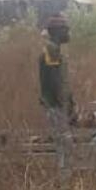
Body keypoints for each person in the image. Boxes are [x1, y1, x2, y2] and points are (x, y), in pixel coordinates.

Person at [39, 14, 75, 172]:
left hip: (58, 104)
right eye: (66, 29)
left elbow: (61, 79)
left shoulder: (54, 49)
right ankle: (63, 181)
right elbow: (54, 80)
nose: (68, 33)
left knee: (64, 143)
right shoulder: (51, 49)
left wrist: (71, 101)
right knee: (64, 143)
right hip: (55, 105)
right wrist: (64, 103)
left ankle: (64, 178)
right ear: (57, 31)